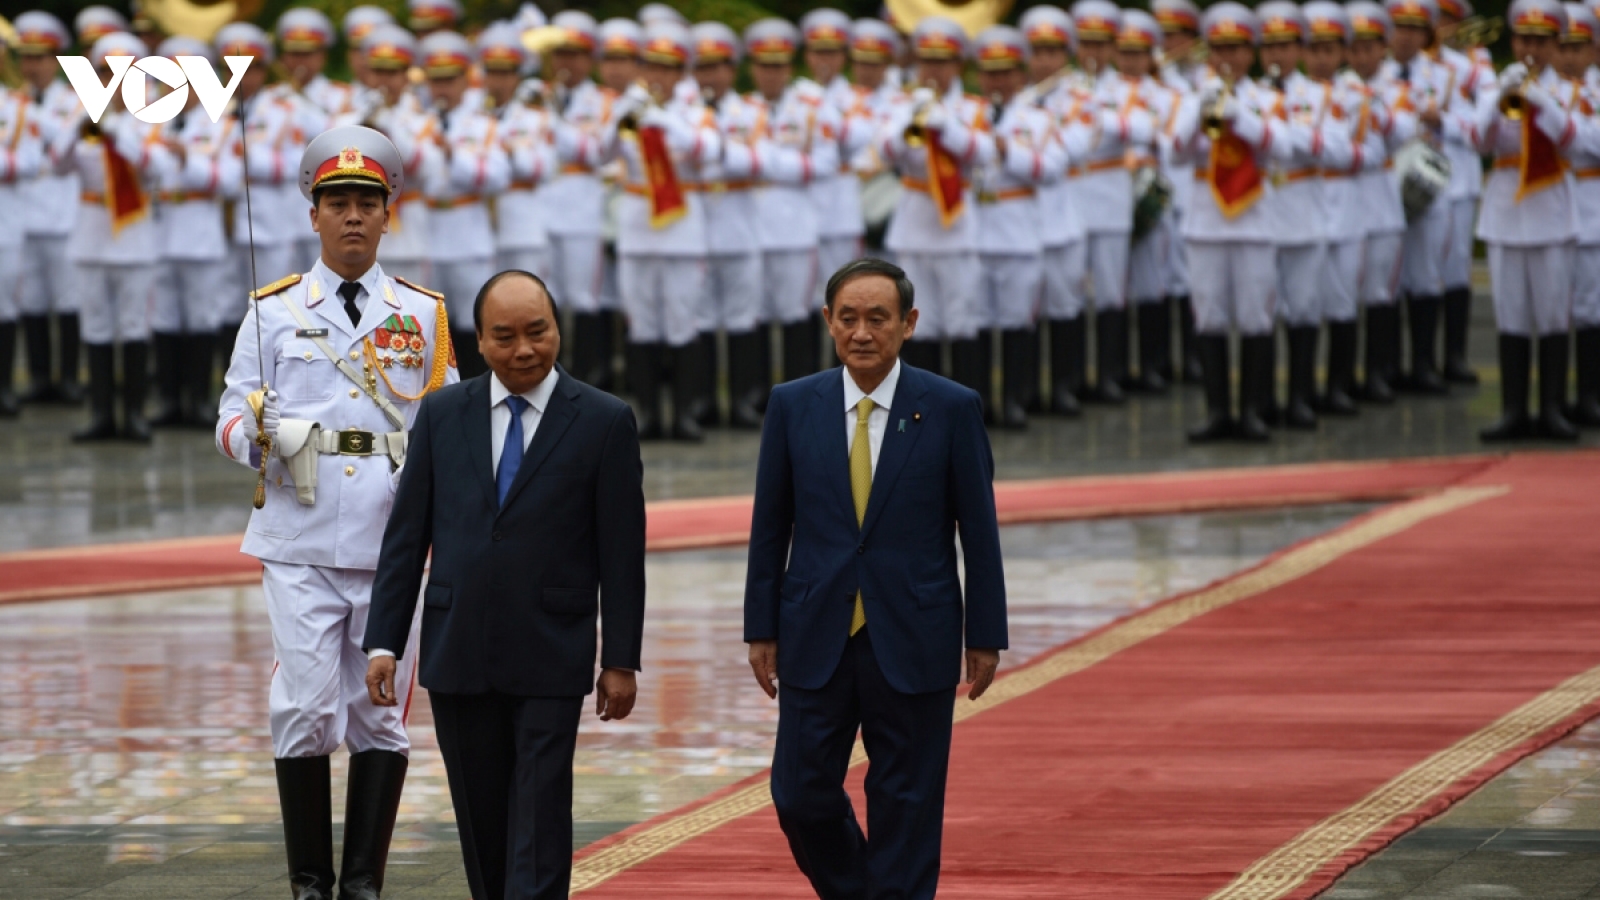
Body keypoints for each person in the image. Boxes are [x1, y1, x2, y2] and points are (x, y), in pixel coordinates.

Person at [215, 125, 459, 900]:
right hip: (301, 533)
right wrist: (256, 438)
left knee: (380, 712)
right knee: (305, 703)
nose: (352, 216)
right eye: (337, 203)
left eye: (367, 202)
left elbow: (445, 422)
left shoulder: (422, 313)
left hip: (393, 539)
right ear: (312, 215)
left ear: (390, 214)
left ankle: (363, 883)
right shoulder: (273, 311)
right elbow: (226, 417)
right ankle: (309, 883)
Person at [364, 269, 646, 900]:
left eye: (538, 332)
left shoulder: (604, 420)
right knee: (482, 822)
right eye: (506, 336)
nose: (525, 350)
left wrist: (621, 660)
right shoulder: (441, 413)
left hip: (553, 648)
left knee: (541, 816)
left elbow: (622, 555)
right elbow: (406, 537)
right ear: (479, 343)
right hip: (459, 647)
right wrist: (384, 640)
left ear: (558, 329)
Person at [746, 257, 1006, 900]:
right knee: (799, 793)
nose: (863, 333)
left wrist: (985, 633)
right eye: (849, 319)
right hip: (814, 630)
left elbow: (979, 530)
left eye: (878, 319)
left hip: (915, 630)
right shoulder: (792, 405)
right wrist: (761, 627)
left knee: (907, 802)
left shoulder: (949, 408)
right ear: (829, 322)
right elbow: (769, 526)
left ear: (909, 323)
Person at [1170, 2, 1293, 442]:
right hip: (1205, 220)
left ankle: (1254, 411)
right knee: (1210, 317)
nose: (1228, 57)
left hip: (1254, 219)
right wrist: (1198, 113)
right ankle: (1218, 411)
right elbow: (1176, 150)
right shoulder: (1193, 97)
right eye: (1219, 48)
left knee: (1256, 316)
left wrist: (1240, 117)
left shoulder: (1267, 97)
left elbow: (1282, 145)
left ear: (1251, 52)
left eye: (1236, 48)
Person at [57, 32, 176, 443]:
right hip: (91, 233)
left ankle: (135, 414)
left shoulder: (154, 119)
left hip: (134, 236)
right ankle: (102, 414)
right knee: (96, 325)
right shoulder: (81, 114)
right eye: (105, 71)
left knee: (133, 325)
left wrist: (113, 130)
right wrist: (80, 125)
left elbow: (153, 166)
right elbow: (55, 164)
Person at [605, 22, 721, 441]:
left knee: (682, 320)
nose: (659, 75)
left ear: (681, 73)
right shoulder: (630, 108)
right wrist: (622, 114)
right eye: (652, 66)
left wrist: (664, 121)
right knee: (641, 323)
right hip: (638, 228)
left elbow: (706, 150)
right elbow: (602, 150)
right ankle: (649, 412)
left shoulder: (694, 113)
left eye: (669, 68)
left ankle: (686, 412)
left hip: (682, 227)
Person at [1477, 0, 1585, 440]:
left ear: (1557, 45)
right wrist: (1496, 101)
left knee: (1554, 314)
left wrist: (1545, 102)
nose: (1532, 49)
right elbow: (1477, 140)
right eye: (1524, 40)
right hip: (1505, 212)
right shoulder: (1497, 86)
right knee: (1512, 315)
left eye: (1541, 41)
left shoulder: (1575, 93)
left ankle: (1554, 408)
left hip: (1552, 211)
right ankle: (1514, 410)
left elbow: (1578, 143)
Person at [877, 17, 996, 382]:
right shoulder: (903, 103)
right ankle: (920, 406)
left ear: (958, 64)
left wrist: (949, 129)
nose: (934, 69)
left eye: (942, 61)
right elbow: (883, 151)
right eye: (927, 60)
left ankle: (966, 404)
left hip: (956, 222)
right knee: (918, 321)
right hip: (915, 222)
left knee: (962, 317)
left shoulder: (974, 108)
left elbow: (986, 153)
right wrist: (912, 120)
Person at [1258, 1, 1354, 429]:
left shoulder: (1320, 96)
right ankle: (1262, 402)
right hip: (1259, 214)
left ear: (1298, 48)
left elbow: (1342, 151)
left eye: (1285, 45)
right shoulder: (1248, 96)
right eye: (1269, 46)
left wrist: (1296, 137)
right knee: (1262, 313)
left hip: (1305, 210)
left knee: (1304, 309)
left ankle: (1300, 396)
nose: (1276, 54)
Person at [971, 24, 1068, 428]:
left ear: (1019, 73)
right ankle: (974, 405)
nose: (998, 81)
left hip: (1018, 231)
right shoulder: (964, 113)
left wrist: (1008, 151)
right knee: (974, 325)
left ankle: (1015, 399)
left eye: (1006, 72)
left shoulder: (1038, 119)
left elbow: (1052, 169)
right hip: (973, 230)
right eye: (990, 73)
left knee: (1016, 322)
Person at [149, 36, 241, 429]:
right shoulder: (148, 121)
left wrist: (190, 163)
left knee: (204, 317)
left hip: (201, 230)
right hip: (160, 228)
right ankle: (170, 400)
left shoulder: (224, 126)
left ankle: (202, 401)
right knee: (165, 316)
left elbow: (232, 181)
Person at [745, 18, 840, 386]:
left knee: (797, 314)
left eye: (778, 66)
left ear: (790, 67)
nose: (771, 74)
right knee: (755, 316)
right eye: (764, 66)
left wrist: (771, 163)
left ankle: (805, 392)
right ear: (752, 68)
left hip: (795, 226)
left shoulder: (811, 107)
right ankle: (757, 392)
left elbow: (827, 163)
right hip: (751, 226)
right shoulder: (740, 108)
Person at [419, 30, 511, 379]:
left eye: (449, 79)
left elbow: (499, 177)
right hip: (429, 230)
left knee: (473, 323)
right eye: (435, 80)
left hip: (469, 232)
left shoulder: (484, 126)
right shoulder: (417, 123)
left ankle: (477, 391)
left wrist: (454, 156)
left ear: (465, 81)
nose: (442, 88)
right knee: (432, 327)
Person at [692, 21, 766, 428]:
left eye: (717, 67)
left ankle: (745, 400)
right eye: (702, 68)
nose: (710, 76)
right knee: (700, 320)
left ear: (731, 70)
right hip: (698, 229)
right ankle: (703, 402)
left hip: (740, 227)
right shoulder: (685, 112)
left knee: (742, 319)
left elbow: (760, 161)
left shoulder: (751, 111)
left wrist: (718, 149)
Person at [14, 10, 83, 408]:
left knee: (68, 300)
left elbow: (64, 140)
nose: (32, 65)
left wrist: (30, 121)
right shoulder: (12, 100)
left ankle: (70, 377)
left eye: (40, 58)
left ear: (56, 61)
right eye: (26, 57)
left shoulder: (71, 100)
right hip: (24, 216)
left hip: (62, 215)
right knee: (33, 301)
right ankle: (41, 377)